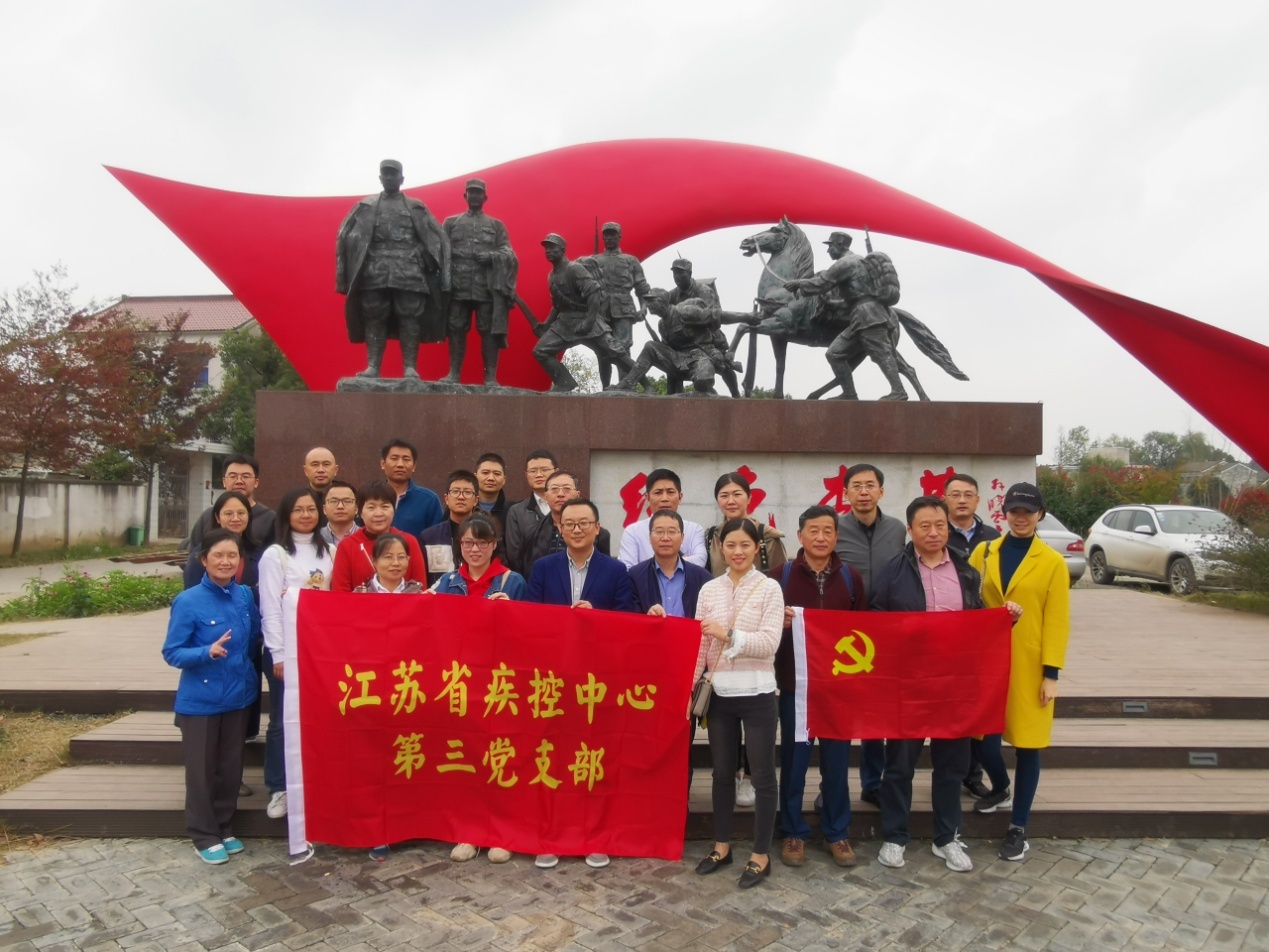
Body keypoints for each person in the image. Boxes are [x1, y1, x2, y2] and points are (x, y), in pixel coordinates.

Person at [869, 496, 1019, 873]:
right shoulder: (892, 571)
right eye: (925, 526)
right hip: (908, 684)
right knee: (899, 765)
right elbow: (875, 620)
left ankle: (947, 837)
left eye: (940, 525)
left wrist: (1005, 619)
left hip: (954, 685)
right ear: (910, 529)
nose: (934, 532)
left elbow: (978, 621)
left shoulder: (967, 571)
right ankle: (895, 836)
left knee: (952, 766)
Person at [525, 497, 635, 870]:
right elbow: (531, 619)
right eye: (569, 523)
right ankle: (550, 836)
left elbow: (627, 619)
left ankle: (594, 836)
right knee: (552, 760)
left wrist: (596, 617)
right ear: (559, 528)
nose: (576, 529)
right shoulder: (543, 568)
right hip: (553, 681)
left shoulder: (616, 570)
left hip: (596, 683)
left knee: (593, 759)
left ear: (597, 528)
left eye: (584, 523)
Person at [969, 482, 1070, 862]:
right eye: (1015, 511)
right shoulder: (984, 552)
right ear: (1005, 513)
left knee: (1028, 745)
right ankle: (1000, 786)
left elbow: (1057, 620)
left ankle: (1018, 827)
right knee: (983, 739)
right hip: (987, 661)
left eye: (1028, 511)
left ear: (1040, 514)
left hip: (1029, 665)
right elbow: (967, 600)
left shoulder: (1052, 562)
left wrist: (1051, 674)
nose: (1021, 518)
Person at [427, 513, 525, 865]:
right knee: (466, 756)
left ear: (494, 544)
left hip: (500, 682)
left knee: (501, 756)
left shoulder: (513, 581)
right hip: (461, 680)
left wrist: (511, 612)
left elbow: (531, 631)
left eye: (482, 542)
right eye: (468, 542)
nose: (475, 549)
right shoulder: (447, 582)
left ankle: (501, 832)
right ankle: (469, 831)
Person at [691, 518, 784, 889]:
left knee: (762, 775)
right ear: (720, 547)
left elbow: (769, 643)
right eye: (730, 545)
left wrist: (728, 634)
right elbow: (700, 645)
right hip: (720, 695)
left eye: (745, 544)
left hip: (758, 693)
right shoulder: (709, 589)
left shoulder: (769, 588)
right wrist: (689, 688)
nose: (738, 551)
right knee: (721, 773)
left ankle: (761, 854)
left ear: (757, 547)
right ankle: (722, 846)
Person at [771, 505, 865, 870]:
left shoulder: (851, 579)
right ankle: (793, 831)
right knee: (794, 762)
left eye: (828, 531)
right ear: (800, 536)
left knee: (837, 764)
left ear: (837, 537)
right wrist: (779, 622)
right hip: (795, 687)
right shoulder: (780, 577)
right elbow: (762, 625)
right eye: (813, 530)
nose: (821, 537)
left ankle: (837, 831)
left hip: (838, 688)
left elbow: (864, 631)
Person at [162, 528, 261, 865]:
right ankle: (203, 834)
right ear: (204, 560)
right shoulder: (188, 601)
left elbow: (255, 637)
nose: (225, 561)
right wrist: (206, 652)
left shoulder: (244, 595)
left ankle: (224, 826)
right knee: (201, 771)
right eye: (218, 555)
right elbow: (172, 652)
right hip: (201, 701)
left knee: (230, 769)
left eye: (232, 555)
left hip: (239, 696)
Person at [706, 472, 786, 808]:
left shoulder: (768, 536)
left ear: (749, 498)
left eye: (737, 493)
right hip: (718, 627)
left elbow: (779, 575)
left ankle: (751, 777)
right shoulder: (712, 536)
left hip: (757, 626)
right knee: (725, 722)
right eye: (724, 495)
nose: (731, 500)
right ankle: (733, 776)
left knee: (757, 718)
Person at [256, 488, 332, 821]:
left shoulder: (330, 550)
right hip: (287, 650)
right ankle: (279, 787)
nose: (305, 515)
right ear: (286, 515)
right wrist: (278, 654)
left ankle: (313, 783)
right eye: (298, 509)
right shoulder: (275, 555)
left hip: (320, 651)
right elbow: (270, 608)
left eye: (311, 509)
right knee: (282, 718)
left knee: (317, 718)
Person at [335, 158, 450, 379]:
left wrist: (424, 254)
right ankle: (373, 366)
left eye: (393, 174)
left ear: (401, 178)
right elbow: (343, 236)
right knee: (374, 315)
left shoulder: (416, 206)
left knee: (410, 315)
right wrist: (343, 276)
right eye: (386, 174)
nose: (389, 178)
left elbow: (438, 237)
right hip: (374, 268)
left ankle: (409, 367)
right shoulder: (365, 206)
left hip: (408, 269)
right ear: (380, 178)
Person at [834, 462, 907, 807]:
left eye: (870, 485)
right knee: (847, 708)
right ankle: (841, 784)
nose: (863, 492)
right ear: (845, 493)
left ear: (881, 491)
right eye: (856, 486)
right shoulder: (834, 528)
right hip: (846, 633)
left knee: (881, 709)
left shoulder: (897, 529)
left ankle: (877, 782)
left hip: (890, 630)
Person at [784, 230, 907, 401]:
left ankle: (899, 391)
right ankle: (849, 394)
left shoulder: (846, 263)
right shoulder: (858, 261)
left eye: (830, 246)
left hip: (869, 316)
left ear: (840, 245)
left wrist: (798, 283)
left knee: (882, 353)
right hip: (860, 316)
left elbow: (822, 283)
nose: (828, 250)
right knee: (834, 354)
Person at [941, 473, 1001, 800]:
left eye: (968, 494)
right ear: (944, 499)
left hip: (980, 636)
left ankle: (972, 774)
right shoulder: (936, 533)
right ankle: (947, 773)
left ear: (978, 500)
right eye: (955, 494)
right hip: (943, 634)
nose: (962, 500)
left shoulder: (993, 538)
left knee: (973, 707)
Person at [530, 233, 634, 392]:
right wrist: (547, 324)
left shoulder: (574, 269)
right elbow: (557, 305)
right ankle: (564, 382)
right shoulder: (551, 276)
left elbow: (594, 292)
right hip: (565, 323)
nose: (548, 251)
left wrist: (590, 321)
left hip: (586, 319)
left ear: (562, 249)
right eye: (546, 248)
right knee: (540, 351)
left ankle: (645, 383)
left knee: (616, 352)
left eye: (552, 247)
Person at [441, 179, 518, 385]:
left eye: (478, 193)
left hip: (486, 288)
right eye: (471, 192)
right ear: (465, 196)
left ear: (485, 197)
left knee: (489, 330)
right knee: (456, 328)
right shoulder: (450, 223)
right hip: (458, 286)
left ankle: (490, 377)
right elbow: (440, 251)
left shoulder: (496, 225)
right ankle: (453, 374)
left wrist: (492, 256)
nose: (474, 196)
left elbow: (509, 253)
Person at [330, 479, 428, 592]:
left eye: (385, 507)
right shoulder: (347, 546)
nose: (378, 513)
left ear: (394, 510)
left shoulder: (409, 541)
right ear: (359, 511)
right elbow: (341, 593)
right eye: (371, 507)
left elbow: (420, 589)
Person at [517, 469, 612, 579]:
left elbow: (605, 572)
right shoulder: (530, 532)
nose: (560, 494)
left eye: (567, 489)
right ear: (546, 496)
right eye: (554, 489)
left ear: (578, 495)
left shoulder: (598, 534)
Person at [590, 222, 652, 388]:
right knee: (602, 350)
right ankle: (605, 388)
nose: (609, 238)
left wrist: (644, 307)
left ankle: (626, 387)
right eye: (606, 235)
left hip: (624, 309)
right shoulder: (594, 261)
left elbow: (642, 288)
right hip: (601, 310)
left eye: (612, 234)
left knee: (622, 349)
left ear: (619, 237)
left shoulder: (630, 261)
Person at [628, 509, 712, 619]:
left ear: (682, 538)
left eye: (672, 532)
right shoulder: (635, 576)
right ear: (649, 537)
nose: (665, 538)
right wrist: (647, 617)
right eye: (659, 532)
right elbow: (630, 618)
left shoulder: (702, 577)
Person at [617, 468, 707, 568]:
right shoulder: (632, 532)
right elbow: (627, 569)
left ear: (680, 497)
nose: (664, 499)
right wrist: (681, 561)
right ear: (647, 498)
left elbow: (700, 561)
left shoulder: (694, 530)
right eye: (658, 493)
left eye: (670, 492)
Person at [187, 454, 276, 554]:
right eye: (233, 476)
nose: (239, 481)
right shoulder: (208, 516)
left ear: (256, 482)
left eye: (246, 476)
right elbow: (195, 554)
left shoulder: (270, 519)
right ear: (224, 481)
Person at [420, 470, 480, 584]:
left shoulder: (485, 535)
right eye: (455, 491)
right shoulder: (430, 537)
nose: (461, 497)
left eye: (467, 492)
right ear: (446, 499)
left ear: (476, 500)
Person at [503, 449, 557, 575]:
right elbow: (515, 556)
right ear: (526, 475)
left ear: (556, 472)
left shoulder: (570, 508)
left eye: (544, 470)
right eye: (533, 471)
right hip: (531, 580)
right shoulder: (517, 512)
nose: (538, 475)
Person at [378, 438, 443, 536]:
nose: (400, 464)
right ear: (383, 463)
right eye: (394, 458)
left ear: (414, 466)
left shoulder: (429, 500)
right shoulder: (371, 497)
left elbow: (436, 538)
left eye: (406, 459)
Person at [353, 532, 427, 595]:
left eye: (401, 557)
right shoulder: (360, 594)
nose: (396, 563)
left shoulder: (417, 594)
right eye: (388, 557)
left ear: (408, 559)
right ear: (374, 561)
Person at [319, 480, 359, 546]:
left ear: (356, 509)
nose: (340, 506)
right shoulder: (315, 538)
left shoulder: (368, 537)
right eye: (333, 501)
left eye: (347, 501)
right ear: (324, 509)